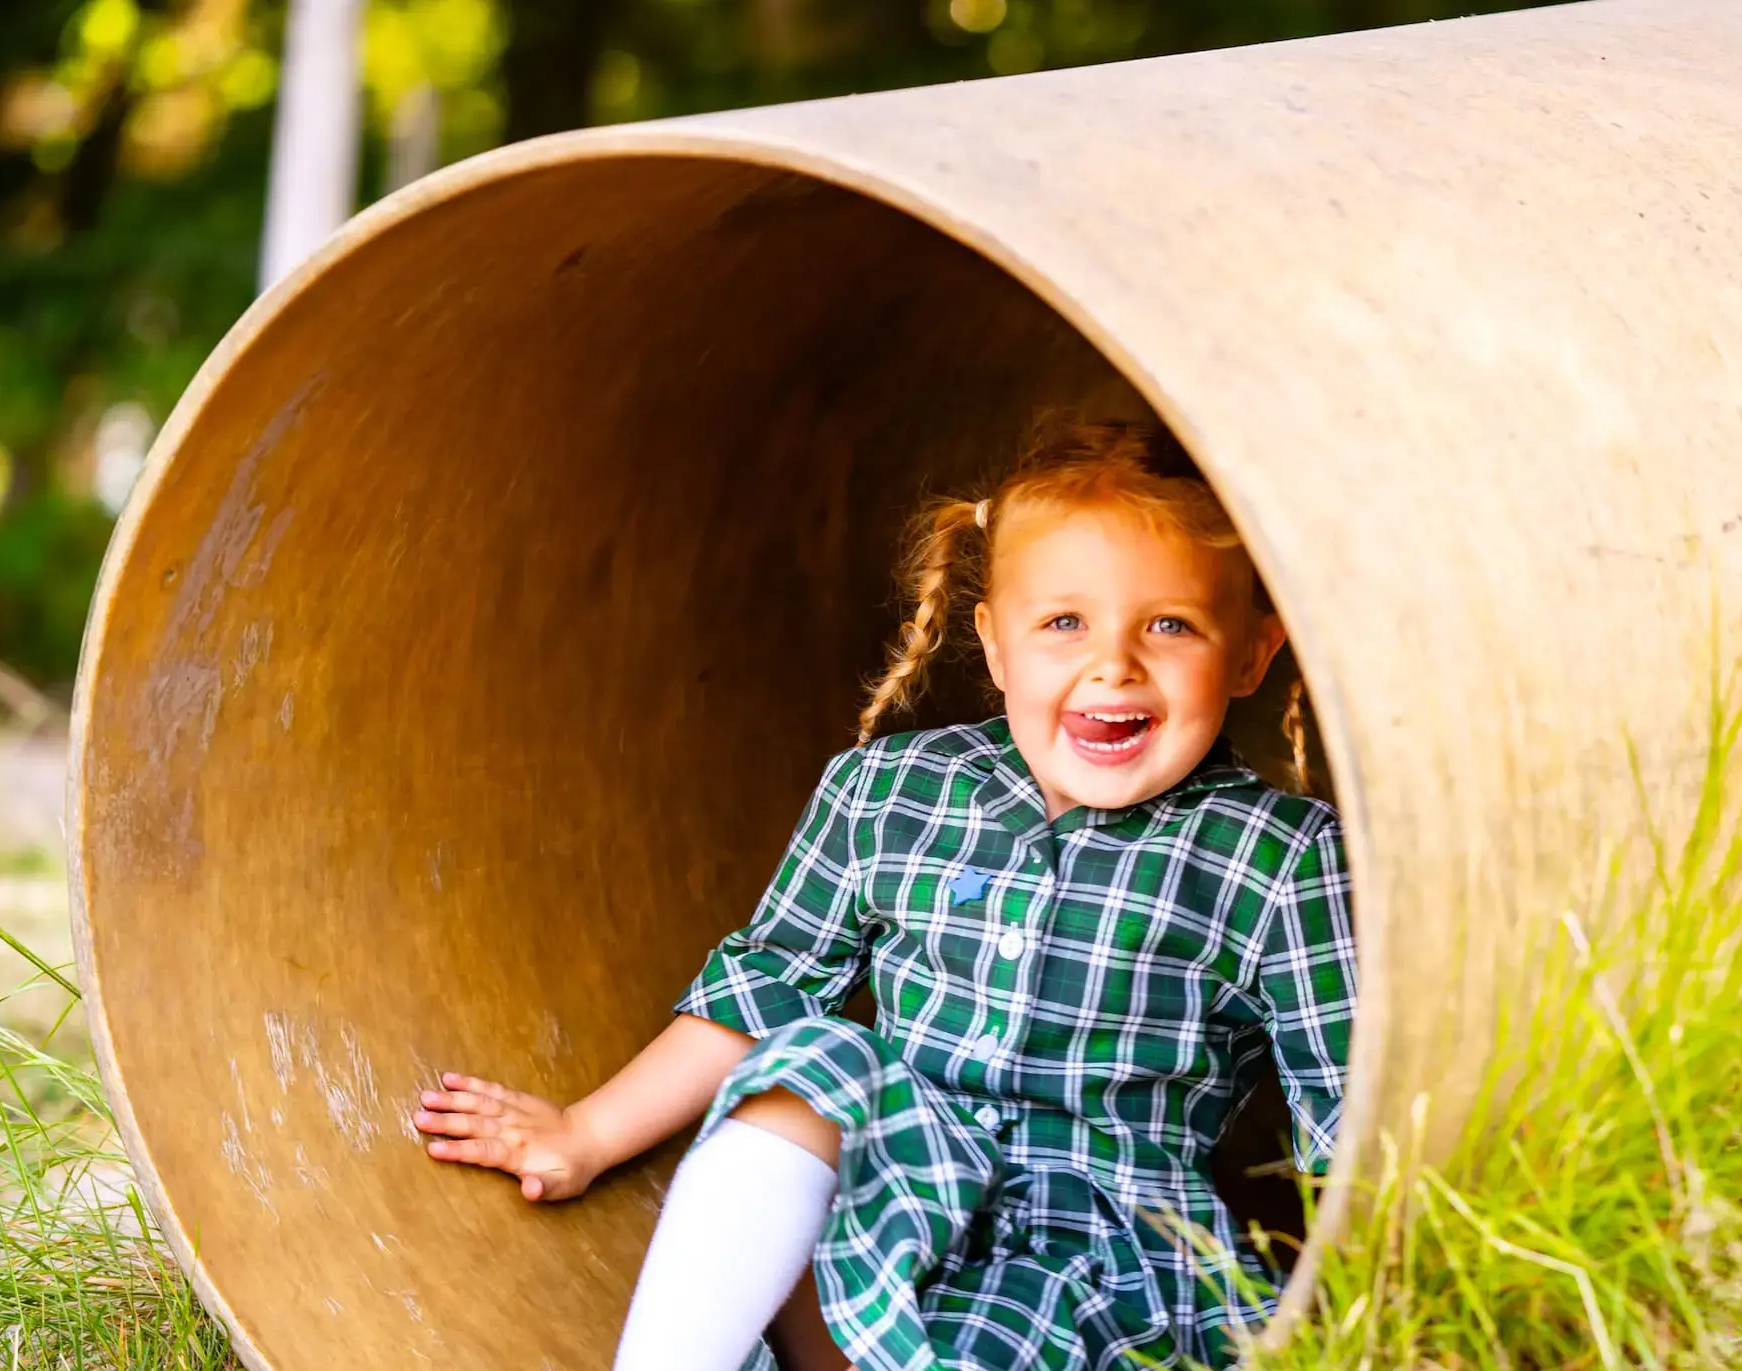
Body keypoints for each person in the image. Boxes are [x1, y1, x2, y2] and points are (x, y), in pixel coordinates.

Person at [415, 419, 1357, 1371]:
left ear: (1252, 652)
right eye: (1064, 622)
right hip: (895, 1212)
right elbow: (763, 989)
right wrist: (584, 1134)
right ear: (993, 645)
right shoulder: (891, 791)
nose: (1112, 663)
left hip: (1101, 1267)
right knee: (812, 1060)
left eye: (1170, 624)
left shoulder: (1278, 857)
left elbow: (1349, 1123)